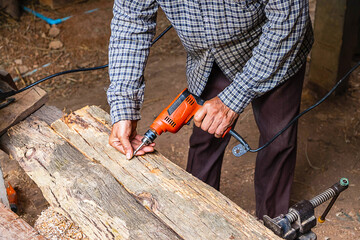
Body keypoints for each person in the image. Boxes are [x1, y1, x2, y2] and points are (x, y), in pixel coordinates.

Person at [107, 0, 313, 219]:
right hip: (209, 56)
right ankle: (197, 217)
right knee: (205, 135)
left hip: (274, 47)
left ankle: (274, 222)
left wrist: (233, 99)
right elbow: (131, 21)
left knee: (277, 139)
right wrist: (124, 107)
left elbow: (287, 21)